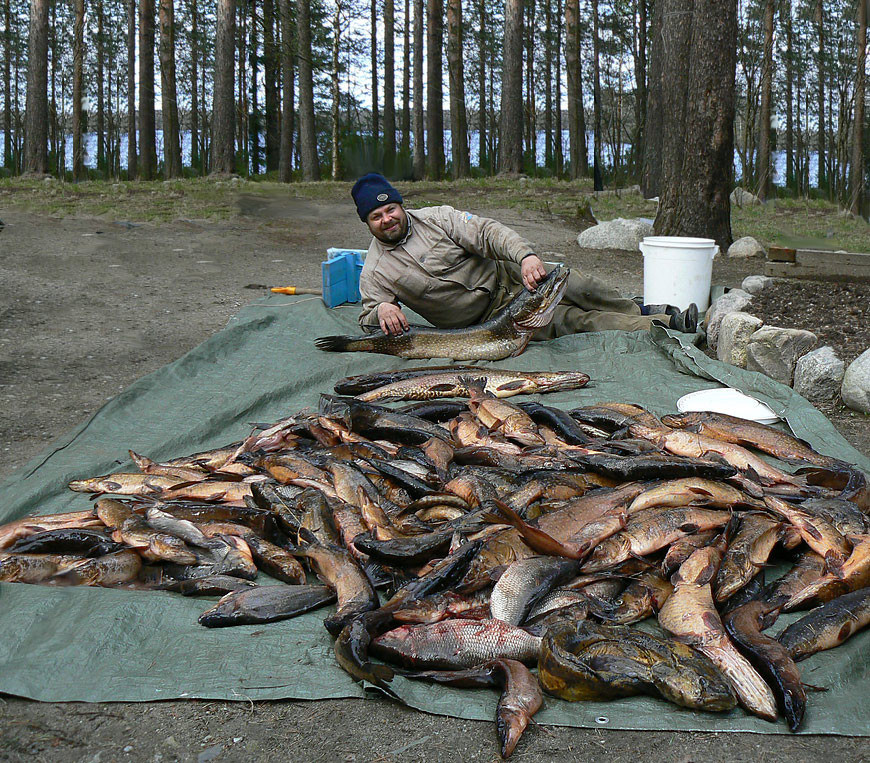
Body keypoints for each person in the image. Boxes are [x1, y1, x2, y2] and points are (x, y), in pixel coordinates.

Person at [351, 173, 699, 338]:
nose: (387, 219)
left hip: (510, 275)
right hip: (491, 321)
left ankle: (639, 306)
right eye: (376, 217)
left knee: (578, 284)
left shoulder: (438, 218)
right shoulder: (376, 271)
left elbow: (489, 232)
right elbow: (368, 317)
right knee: (574, 322)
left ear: (400, 205)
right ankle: (666, 324)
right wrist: (381, 309)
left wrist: (525, 257)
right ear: (367, 222)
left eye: (391, 209)